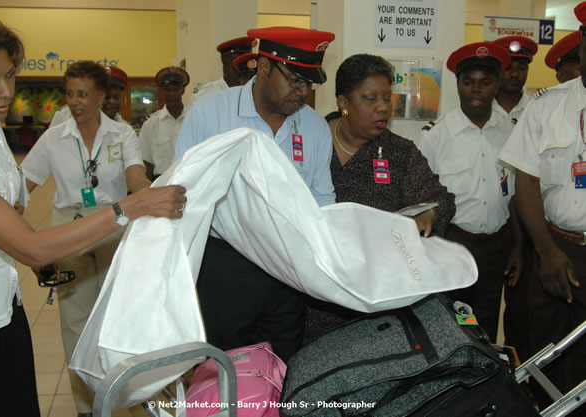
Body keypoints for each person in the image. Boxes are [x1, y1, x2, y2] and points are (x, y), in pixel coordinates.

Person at [0, 12, 187, 417]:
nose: (5, 92)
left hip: (4, 305)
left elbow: (11, 212)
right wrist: (131, 207)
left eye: (9, 76)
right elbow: (29, 244)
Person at [175, 26, 336, 361]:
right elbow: (183, 193)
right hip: (225, 268)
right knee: (220, 371)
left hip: (288, 270)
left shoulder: (314, 127)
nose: (303, 91)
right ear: (263, 66)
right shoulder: (211, 113)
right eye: (294, 79)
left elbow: (322, 199)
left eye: (309, 82)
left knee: (280, 367)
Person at [21, 60, 153, 417]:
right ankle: (87, 407)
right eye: (69, 93)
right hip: (69, 229)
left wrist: (152, 195)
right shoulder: (55, 137)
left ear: (100, 95)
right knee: (76, 326)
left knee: (116, 318)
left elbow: (136, 176)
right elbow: (24, 185)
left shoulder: (122, 133)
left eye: (82, 94)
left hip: (112, 226)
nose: (74, 101)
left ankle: (127, 397)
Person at [303, 54, 456, 342]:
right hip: (315, 295)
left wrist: (427, 215)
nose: (383, 107)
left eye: (388, 97)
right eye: (370, 98)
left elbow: (441, 199)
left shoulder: (399, 153)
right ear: (344, 102)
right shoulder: (312, 140)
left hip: (377, 299)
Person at [498, 2, 586, 411]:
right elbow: (526, 181)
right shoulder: (548, 104)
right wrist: (546, 251)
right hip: (556, 251)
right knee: (549, 356)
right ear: (582, 43)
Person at [418, 42, 524, 343]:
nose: (476, 90)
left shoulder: (512, 131)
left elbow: (516, 196)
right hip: (454, 244)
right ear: (458, 85)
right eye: (468, 82)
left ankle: (485, 380)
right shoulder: (436, 136)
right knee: (455, 321)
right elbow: (423, 199)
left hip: (496, 246)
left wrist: (518, 245)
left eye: (485, 82)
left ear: (497, 83)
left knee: (487, 321)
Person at [139, 66, 189, 180]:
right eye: (167, 89)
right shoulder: (151, 125)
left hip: (189, 180)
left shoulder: (193, 120)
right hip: (160, 182)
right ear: (162, 91)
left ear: (183, 90)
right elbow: (147, 163)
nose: (172, 94)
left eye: (176, 89)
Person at [50, 65, 129, 126]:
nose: (112, 102)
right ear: (98, 97)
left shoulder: (124, 128)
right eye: (107, 97)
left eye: (116, 97)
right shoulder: (65, 115)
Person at [190, 36, 255, 101]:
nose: (246, 64)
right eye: (240, 60)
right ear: (226, 60)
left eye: (248, 60)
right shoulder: (205, 95)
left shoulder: (253, 93)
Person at [492, 36, 538, 123]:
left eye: (521, 68)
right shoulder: (482, 108)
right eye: (508, 68)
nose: (515, 74)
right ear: (497, 71)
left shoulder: (537, 109)